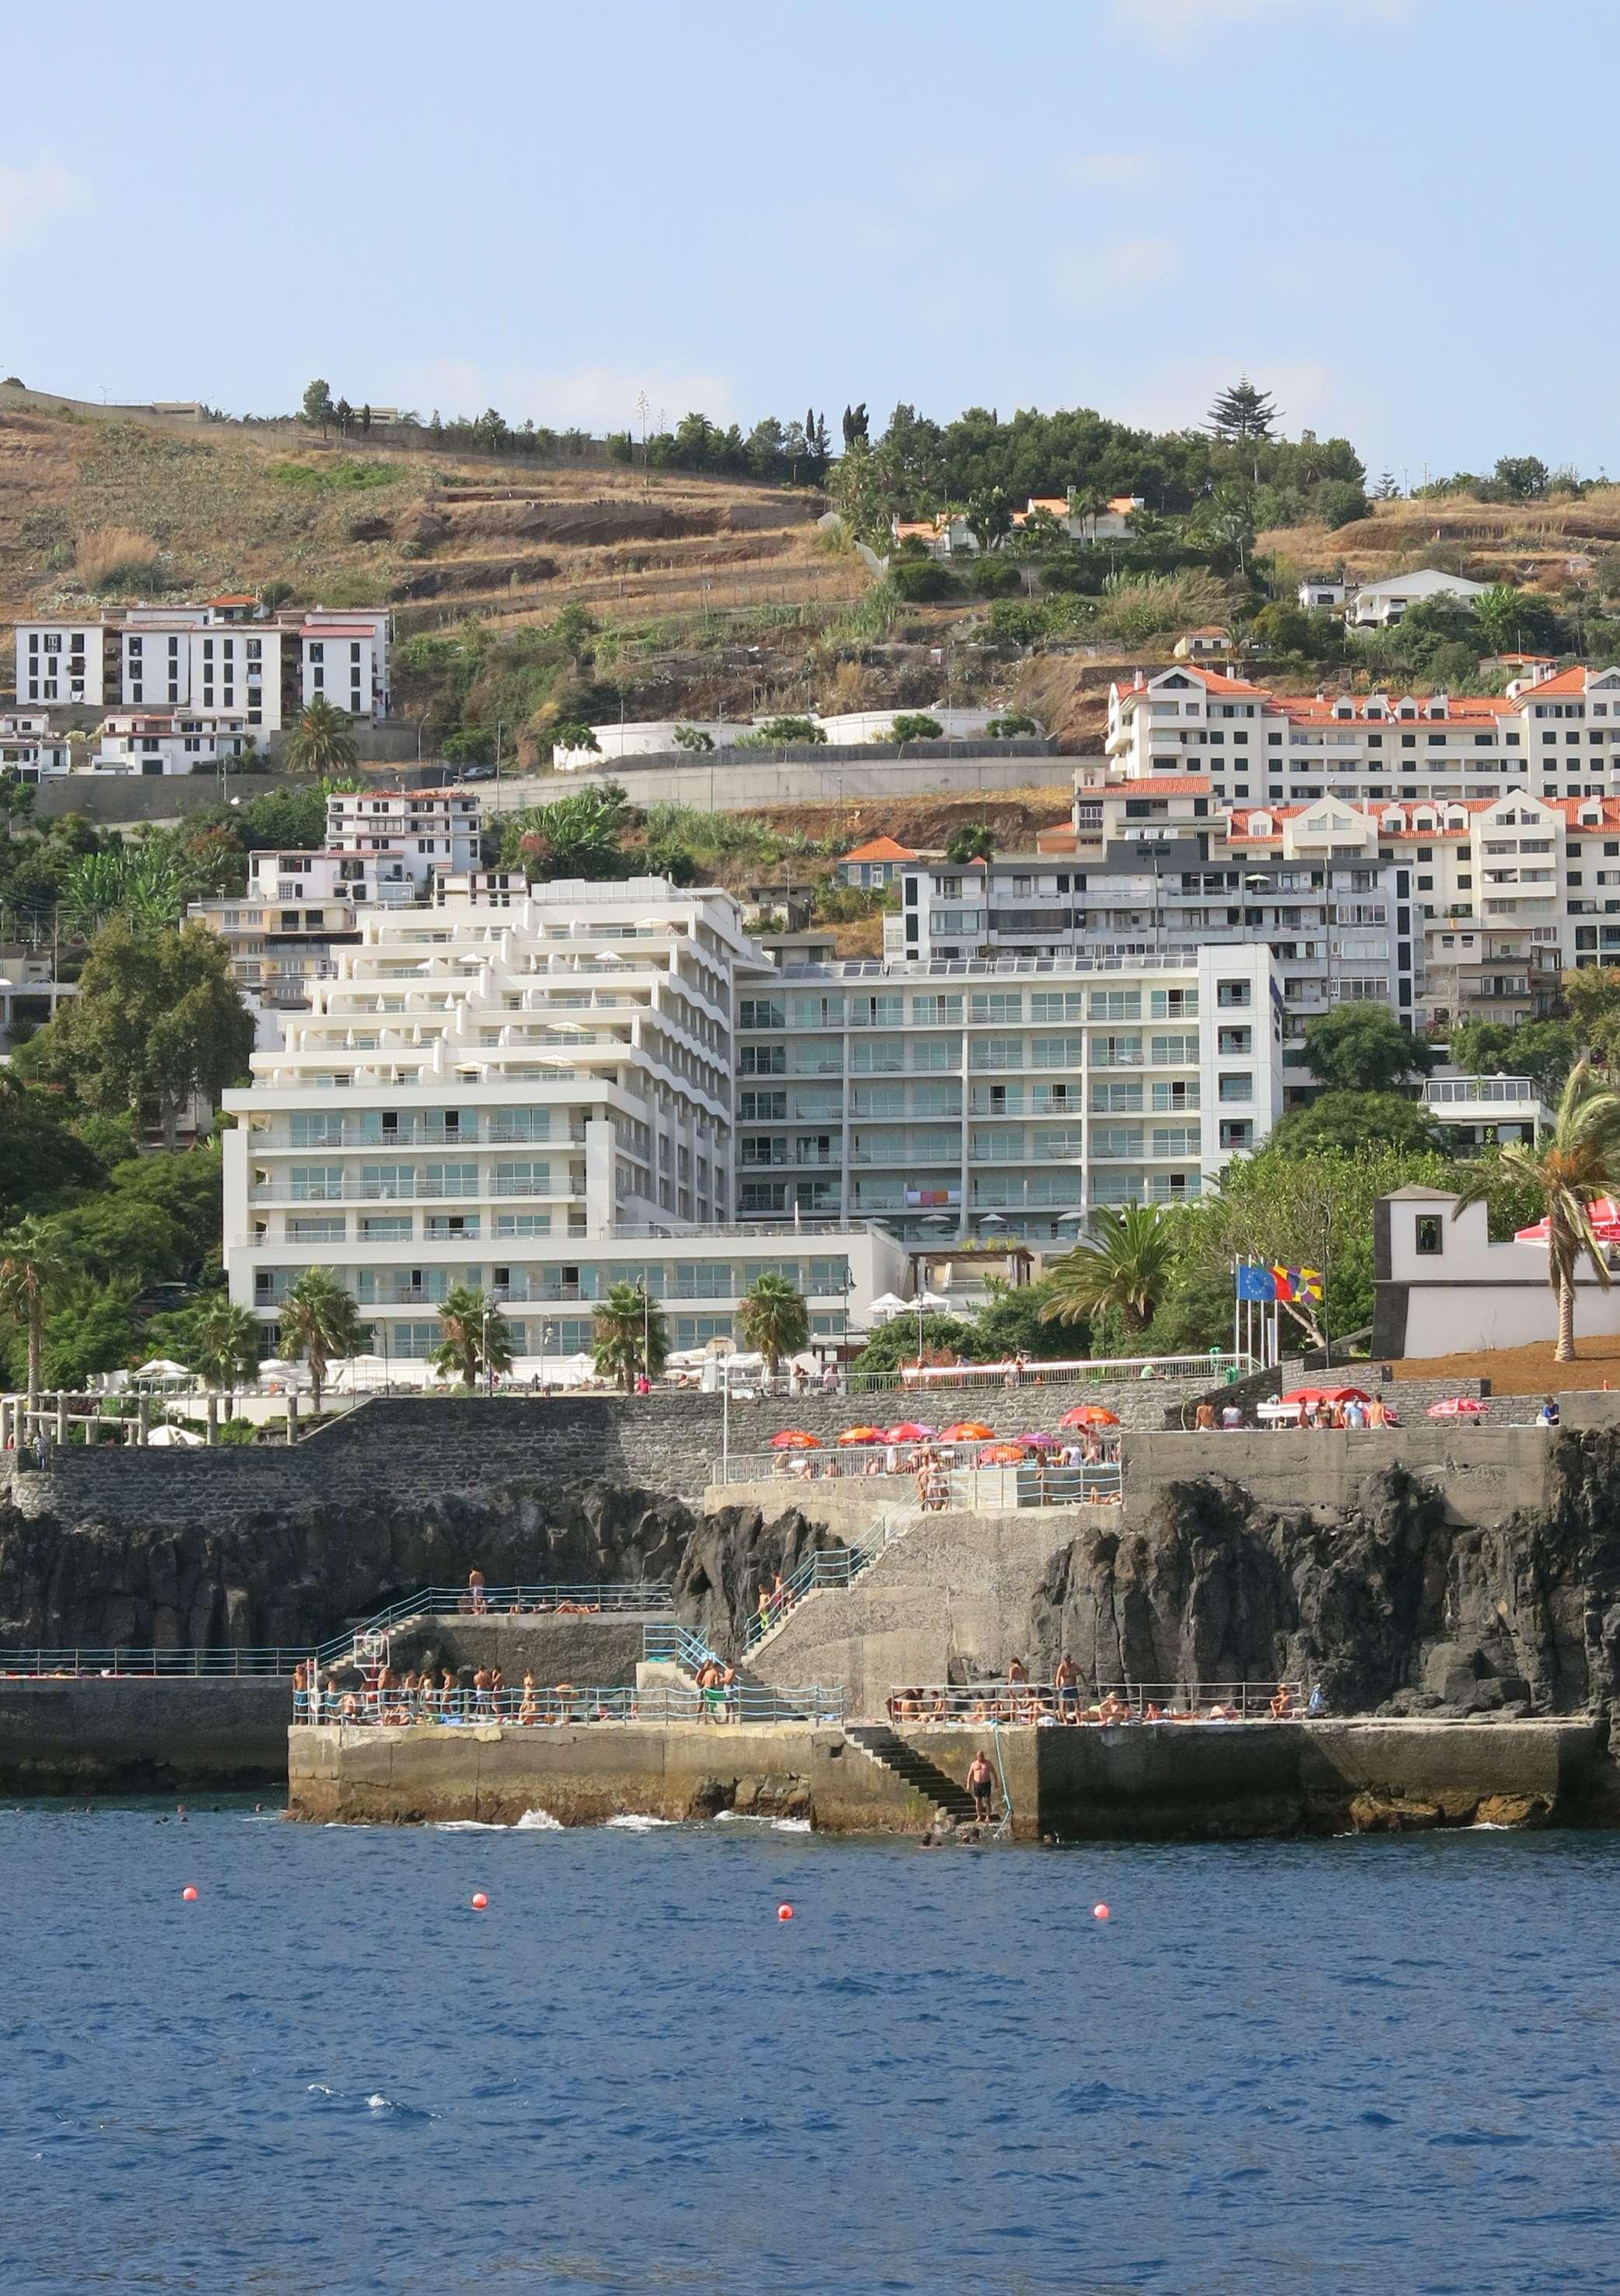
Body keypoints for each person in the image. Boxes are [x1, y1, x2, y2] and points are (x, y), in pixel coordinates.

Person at [966, 1749, 995, 1823]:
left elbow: (994, 1773)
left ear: (983, 1756)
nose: (980, 1758)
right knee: (978, 1801)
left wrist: (996, 1782)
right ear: (977, 1756)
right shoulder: (974, 1764)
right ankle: (979, 1816)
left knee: (987, 1800)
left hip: (986, 1783)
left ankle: (988, 1816)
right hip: (977, 1784)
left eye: (981, 1756)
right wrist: (968, 1784)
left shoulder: (988, 1763)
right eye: (979, 1756)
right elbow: (970, 1774)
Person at [1055, 1654, 1079, 1718]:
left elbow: (1081, 1673)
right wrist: (1058, 1686)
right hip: (1064, 1686)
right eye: (1066, 1661)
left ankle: (1078, 1720)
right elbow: (1058, 1677)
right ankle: (1065, 1720)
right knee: (1063, 1704)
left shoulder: (1074, 1665)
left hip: (1072, 1686)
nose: (1068, 1663)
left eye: (1069, 1661)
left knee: (1076, 1703)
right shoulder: (1062, 1666)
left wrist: (1086, 1682)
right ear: (1064, 1661)